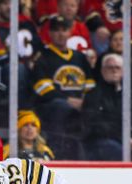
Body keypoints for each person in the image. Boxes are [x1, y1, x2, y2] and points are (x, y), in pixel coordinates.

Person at [32, 15, 94, 159]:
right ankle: (58, 154)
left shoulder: (80, 57)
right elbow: (43, 89)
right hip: (54, 106)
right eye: (56, 30)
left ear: (70, 32)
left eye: (64, 30)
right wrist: (68, 100)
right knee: (61, 107)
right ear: (50, 33)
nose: (60, 34)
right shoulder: (43, 57)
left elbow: (90, 85)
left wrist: (85, 101)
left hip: (81, 105)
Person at [82, 53, 132, 160]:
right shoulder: (93, 95)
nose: (114, 70)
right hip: (104, 141)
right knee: (118, 152)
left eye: (117, 67)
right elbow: (93, 126)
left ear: (122, 72)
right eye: (110, 67)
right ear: (103, 71)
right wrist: (124, 138)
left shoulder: (130, 94)